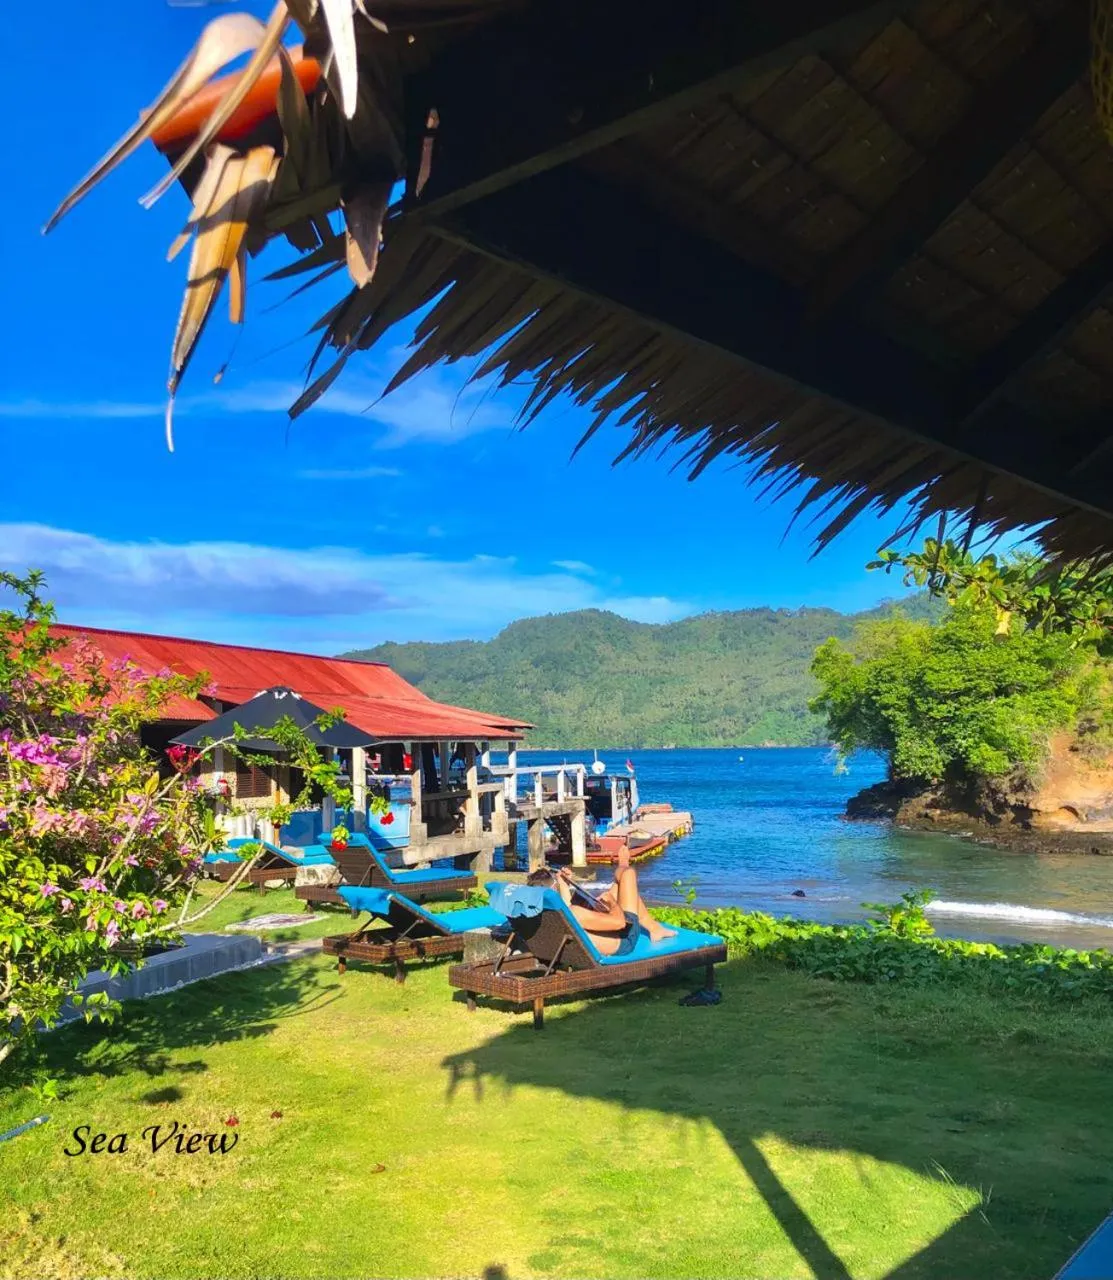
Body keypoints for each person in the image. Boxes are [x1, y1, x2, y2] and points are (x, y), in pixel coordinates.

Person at [527, 853, 676, 956]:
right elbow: (620, 923)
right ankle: (623, 862)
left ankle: (654, 928)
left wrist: (564, 884)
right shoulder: (575, 913)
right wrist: (612, 903)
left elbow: (566, 908)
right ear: (553, 889)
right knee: (627, 874)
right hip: (625, 940)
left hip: (607, 937)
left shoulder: (542, 915)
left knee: (621, 890)